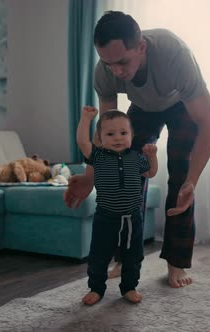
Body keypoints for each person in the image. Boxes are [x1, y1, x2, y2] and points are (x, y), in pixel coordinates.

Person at [64, 11, 210, 289]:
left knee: (181, 180)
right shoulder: (105, 71)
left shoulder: (175, 55)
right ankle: (125, 258)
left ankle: (176, 263)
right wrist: (89, 177)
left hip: (180, 105)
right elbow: (106, 134)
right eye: (109, 63)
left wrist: (192, 180)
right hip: (144, 108)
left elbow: (208, 124)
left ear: (142, 47)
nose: (116, 71)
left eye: (123, 62)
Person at [77, 106, 158, 305]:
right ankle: (96, 289)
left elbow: (151, 173)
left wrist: (152, 156)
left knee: (133, 256)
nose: (118, 138)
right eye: (110, 133)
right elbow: (82, 141)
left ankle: (129, 287)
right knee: (99, 256)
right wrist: (86, 118)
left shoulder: (136, 158)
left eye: (123, 133)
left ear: (132, 135)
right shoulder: (99, 156)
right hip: (106, 217)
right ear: (101, 137)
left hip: (132, 218)